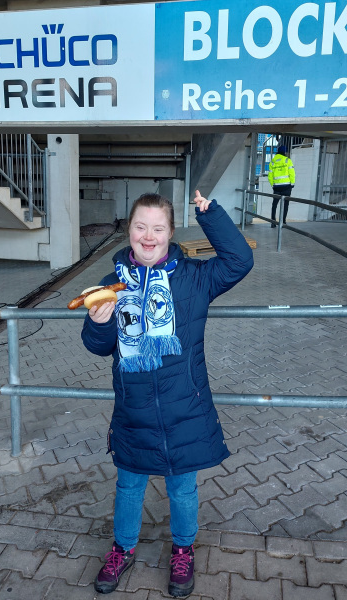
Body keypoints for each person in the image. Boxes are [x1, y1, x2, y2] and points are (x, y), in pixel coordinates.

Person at [81, 190, 254, 597]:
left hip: (185, 410)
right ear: (129, 231)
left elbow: (240, 261)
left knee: (182, 488)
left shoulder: (195, 278)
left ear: (170, 232)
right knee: (128, 486)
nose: (148, 235)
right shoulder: (111, 283)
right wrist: (101, 323)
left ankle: (183, 550)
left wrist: (212, 217)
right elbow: (97, 345)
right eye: (140, 226)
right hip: (133, 411)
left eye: (158, 228)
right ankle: (121, 549)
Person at [268, 145, 296, 227]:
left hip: (277, 187)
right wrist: (292, 184)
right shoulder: (287, 160)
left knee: (274, 204)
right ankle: (283, 221)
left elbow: (270, 175)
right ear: (285, 152)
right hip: (287, 186)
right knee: (285, 204)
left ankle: (273, 222)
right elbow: (292, 173)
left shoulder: (272, 162)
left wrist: (273, 185)